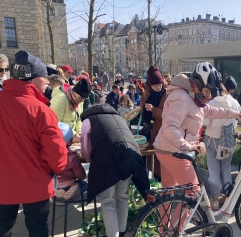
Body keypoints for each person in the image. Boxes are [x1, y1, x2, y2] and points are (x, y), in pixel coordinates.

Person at [153, 63, 241, 224]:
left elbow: (211, 111)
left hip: (167, 149)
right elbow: (169, 127)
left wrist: (235, 114)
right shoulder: (182, 97)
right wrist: (188, 146)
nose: (208, 96)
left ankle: (165, 230)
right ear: (198, 84)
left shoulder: (194, 97)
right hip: (175, 151)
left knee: (169, 193)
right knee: (193, 192)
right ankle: (176, 230)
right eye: (207, 91)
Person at [0, 50, 67, 237]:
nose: (47, 81)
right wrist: (56, 169)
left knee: (2, 228)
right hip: (35, 184)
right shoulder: (40, 110)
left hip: (2, 183)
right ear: (32, 80)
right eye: (44, 77)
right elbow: (56, 153)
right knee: (38, 229)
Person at [80, 104, 150, 237]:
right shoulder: (118, 117)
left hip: (107, 160)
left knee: (107, 201)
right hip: (130, 157)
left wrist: (92, 160)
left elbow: (85, 150)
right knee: (122, 196)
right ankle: (122, 233)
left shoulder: (88, 120)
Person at [203, 84, 241, 210]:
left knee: (213, 171)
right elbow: (236, 121)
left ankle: (215, 199)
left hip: (212, 139)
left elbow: (205, 122)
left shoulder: (212, 103)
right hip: (228, 139)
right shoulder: (235, 103)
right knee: (226, 170)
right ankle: (227, 198)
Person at [139, 66, 167, 177]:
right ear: (150, 85)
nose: (158, 87)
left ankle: (160, 182)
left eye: (160, 84)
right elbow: (140, 111)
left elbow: (169, 115)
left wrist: (154, 110)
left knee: (159, 163)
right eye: (155, 85)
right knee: (146, 160)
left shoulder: (167, 94)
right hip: (148, 131)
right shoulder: (146, 94)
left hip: (161, 131)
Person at [54, 122, 87, 205]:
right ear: (70, 141)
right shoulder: (71, 156)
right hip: (69, 183)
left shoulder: (46, 154)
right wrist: (83, 176)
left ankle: (57, 194)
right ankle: (73, 191)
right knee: (86, 185)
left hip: (53, 184)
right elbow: (81, 175)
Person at [50, 78, 91, 143]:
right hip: (60, 138)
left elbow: (78, 120)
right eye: (81, 98)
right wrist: (74, 134)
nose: (82, 101)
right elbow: (55, 123)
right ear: (74, 92)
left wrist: (80, 134)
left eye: (84, 99)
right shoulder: (61, 99)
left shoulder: (79, 101)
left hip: (71, 139)